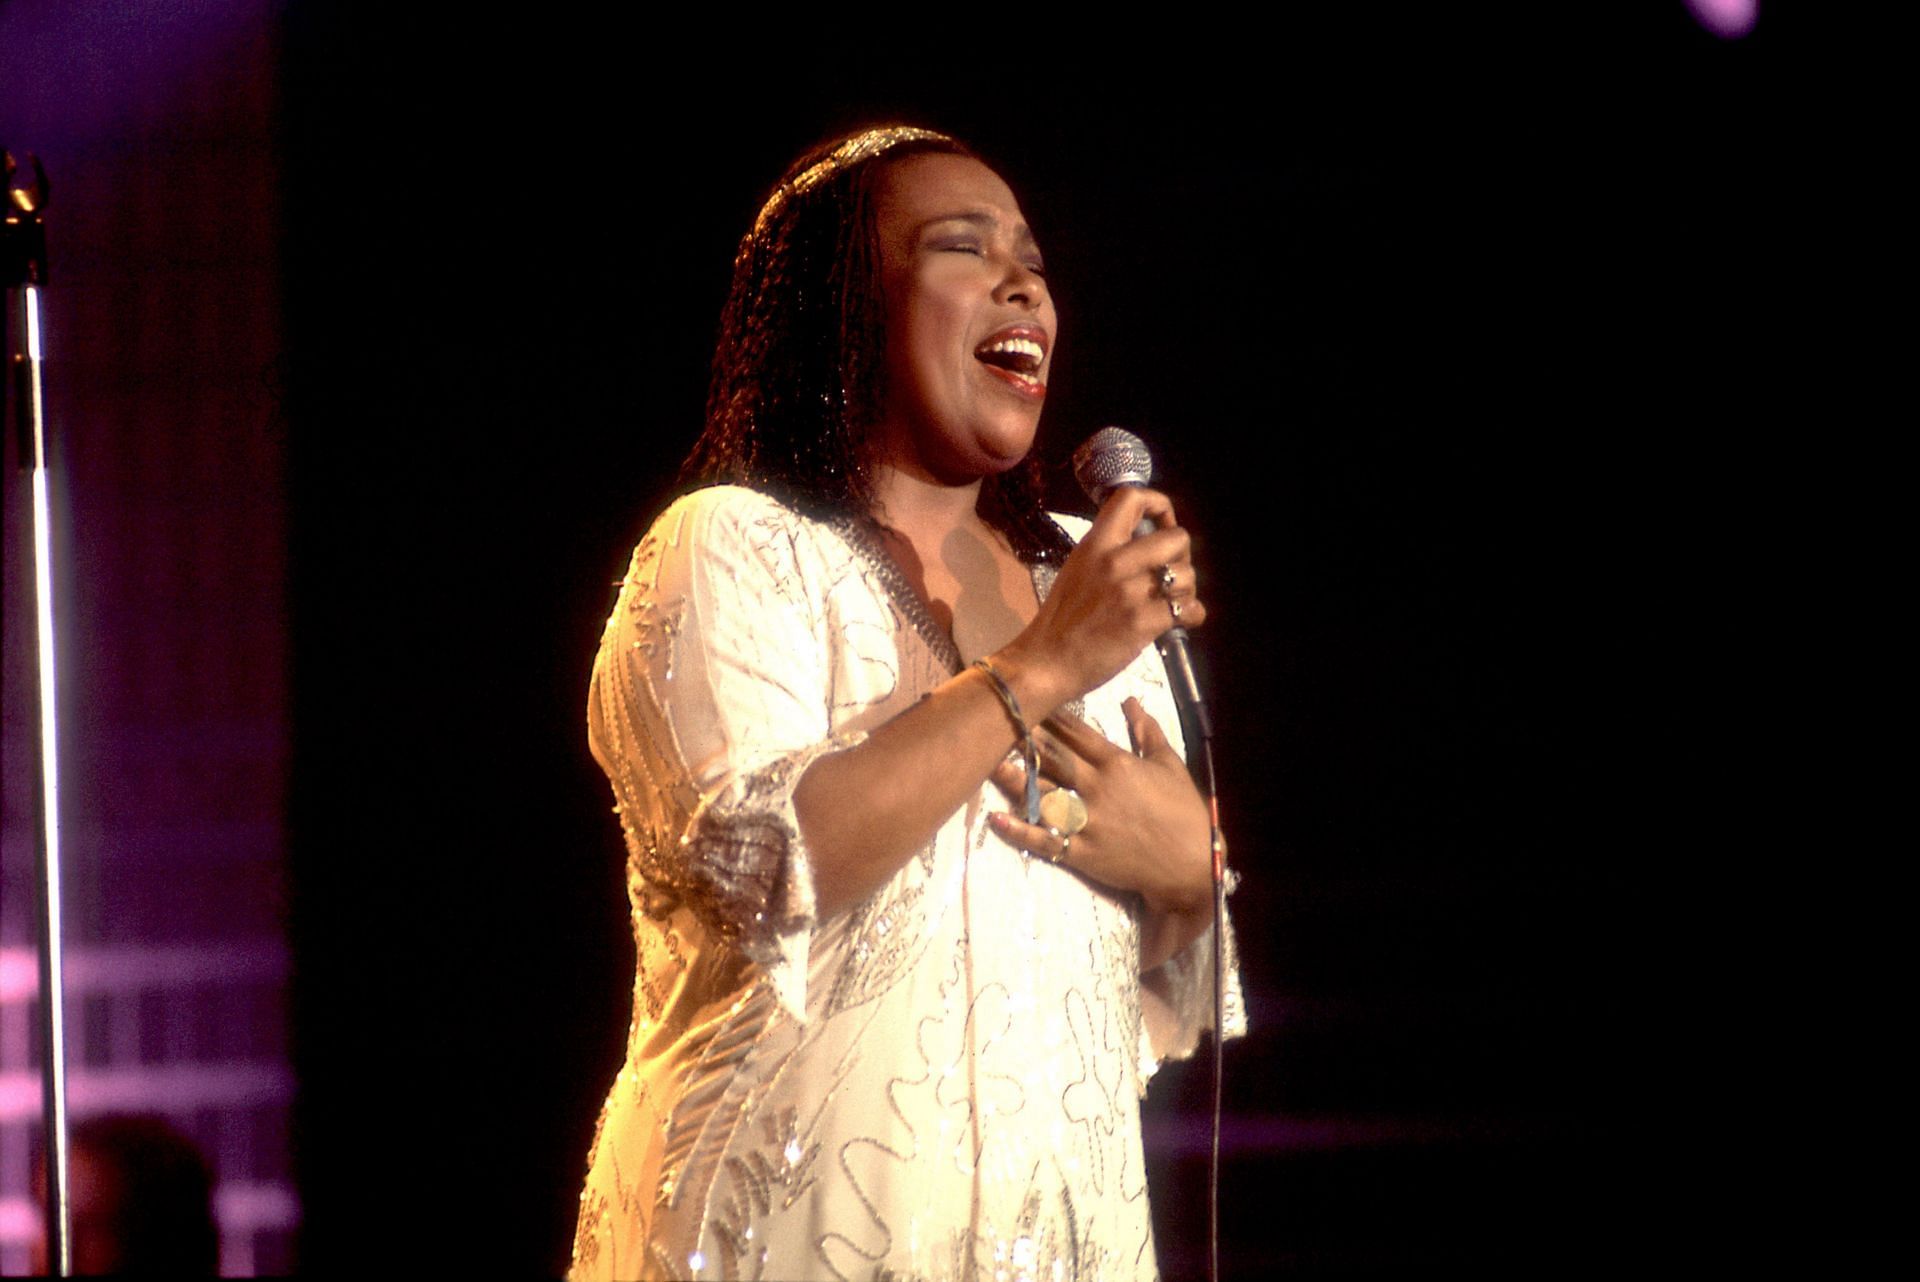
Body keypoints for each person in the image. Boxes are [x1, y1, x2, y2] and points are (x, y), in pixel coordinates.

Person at [569, 126, 1243, 1282]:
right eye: (962, 248)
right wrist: (1033, 669)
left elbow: (1139, 987)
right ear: (848, 309)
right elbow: (773, 865)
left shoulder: (1088, 583)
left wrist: (1189, 875)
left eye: (1030, 258)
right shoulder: (734, 550)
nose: (1022, 280)